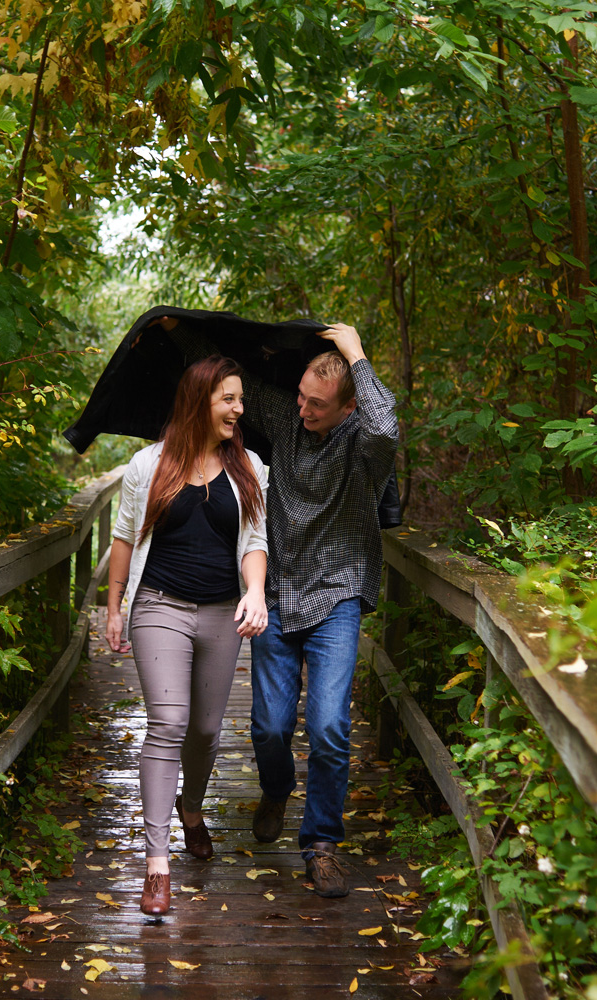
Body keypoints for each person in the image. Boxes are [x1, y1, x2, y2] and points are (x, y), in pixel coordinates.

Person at [235, 323, 399, 900]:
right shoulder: (287, 419)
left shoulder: (365, 444)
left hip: (338, 593)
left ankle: (321, 844)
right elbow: (235, 383)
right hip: (280, 589)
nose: (303, 408)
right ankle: (277, 787)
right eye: (301, 396)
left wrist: (356, 351)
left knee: (329, 726)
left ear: (348, 406)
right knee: (270, 727)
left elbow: (385, 424)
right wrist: (173, 330)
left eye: (317, 404)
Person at [103, 356, 271, 917]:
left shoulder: (250, 466)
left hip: (224, 612)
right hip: (159, 605)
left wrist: (256, 592)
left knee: (203, 729)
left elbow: (254, 540)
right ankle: (157, 865)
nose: (239, 409)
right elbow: (125, 535)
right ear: (201, 399)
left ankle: (191, 809)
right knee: (169, 722)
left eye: (241, 399)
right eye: (230, 398)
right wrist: (113, 604)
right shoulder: (148, 464)